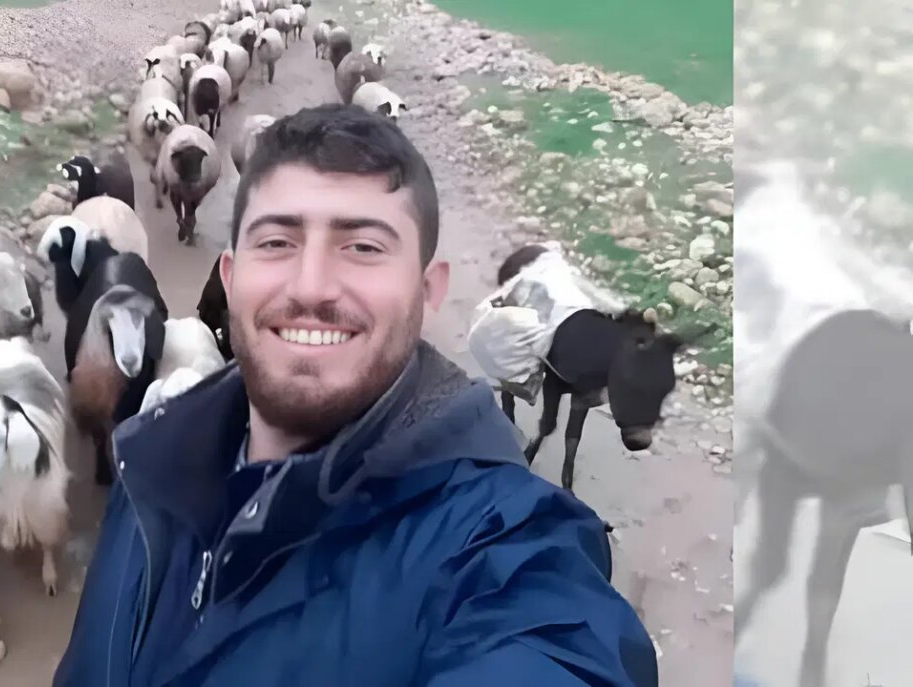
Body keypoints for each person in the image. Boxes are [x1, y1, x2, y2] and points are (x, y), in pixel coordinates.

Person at [54, 104, 658, 686]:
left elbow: (560, 649)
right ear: (230, 279)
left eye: (363, 247)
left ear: (428, 290)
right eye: (277, 242)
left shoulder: (502, 544)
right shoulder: (145, 467)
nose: (311, 286)